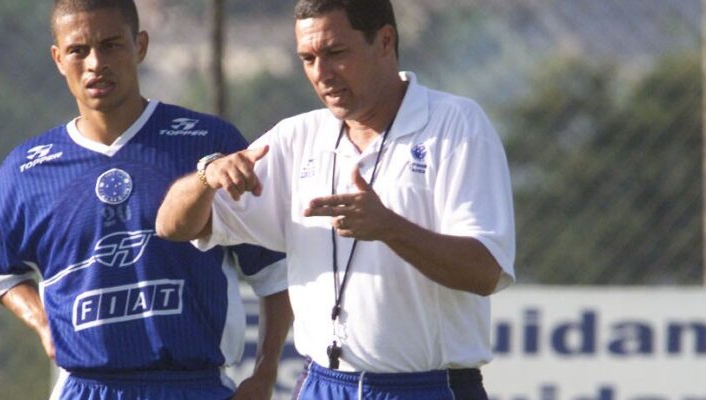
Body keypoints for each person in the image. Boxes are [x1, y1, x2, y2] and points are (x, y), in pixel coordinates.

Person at [156, 0, 516, 398]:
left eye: (335, 53)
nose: (321, 73)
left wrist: (390, 228)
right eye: (308, 58)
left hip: (429, 386)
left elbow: (486, 272)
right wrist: (206, 178)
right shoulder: (296, 137)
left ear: (385, 41)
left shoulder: (456, 124)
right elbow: (171, 226)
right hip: (323, 385)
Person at [0, 1, 293, 399]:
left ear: (140, 46)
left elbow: (275, 270)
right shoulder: (28, 169)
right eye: (78, 50)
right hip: (87, 388)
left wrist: (265, 373)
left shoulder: (208, 143)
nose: (95, 62)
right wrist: (43, 324)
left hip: (193, 385)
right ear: (57, 59)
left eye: (111, 45)